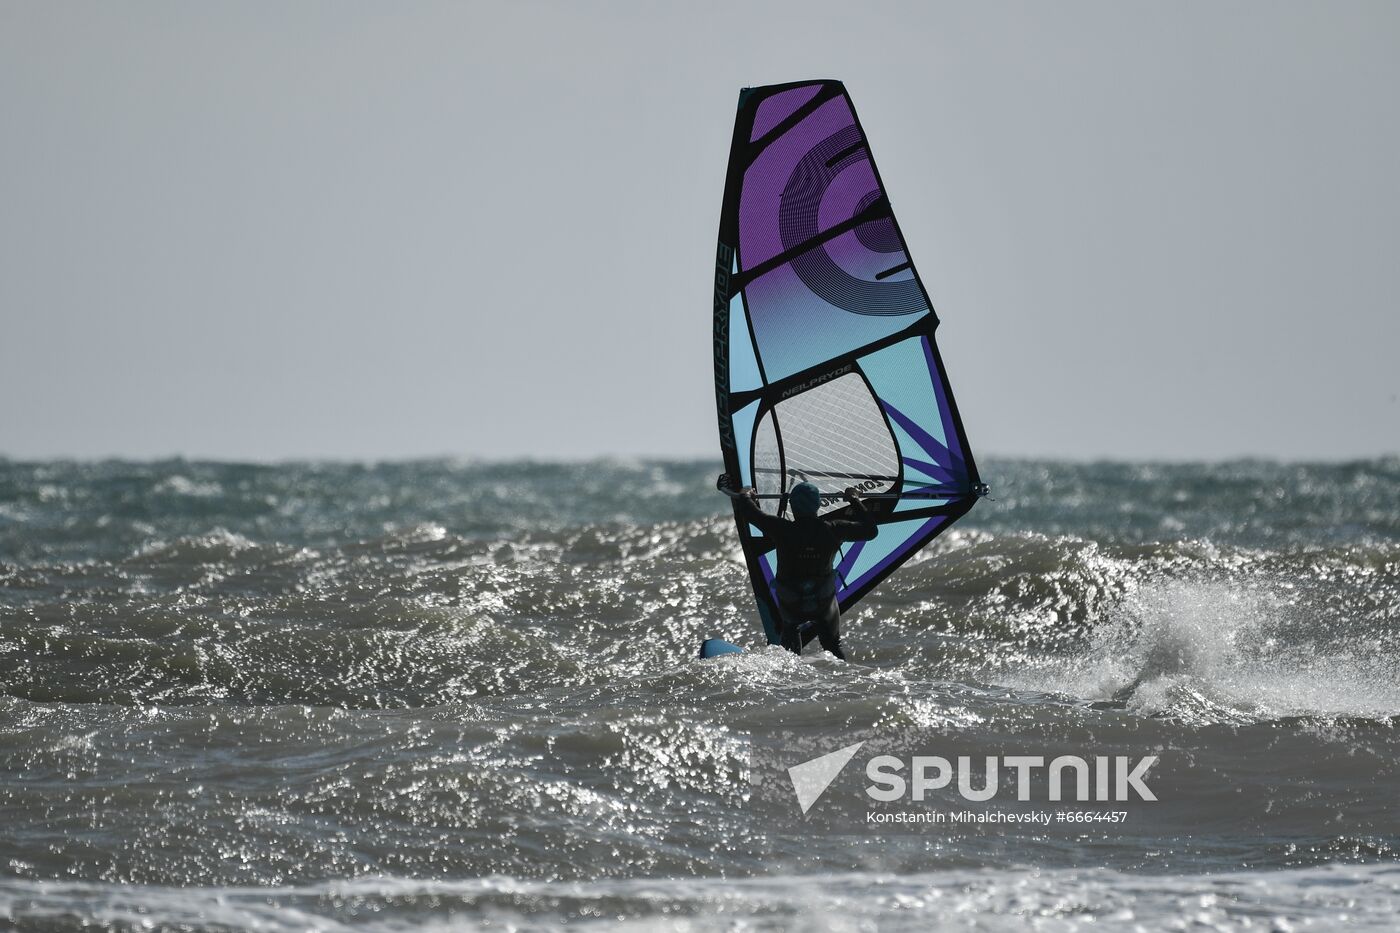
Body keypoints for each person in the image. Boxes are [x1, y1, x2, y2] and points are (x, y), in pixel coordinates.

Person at [717, 474, 878, 660]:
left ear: (792, 506)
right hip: (822, 602)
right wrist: (854, 500)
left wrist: (746, 495)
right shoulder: (834, 529)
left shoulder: (781, 528)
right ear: (818, 506)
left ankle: (790, 679)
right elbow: (871, 530)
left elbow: (750, 513)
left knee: (790, 652)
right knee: (833, 648)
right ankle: (843, 681)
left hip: (792, 603)